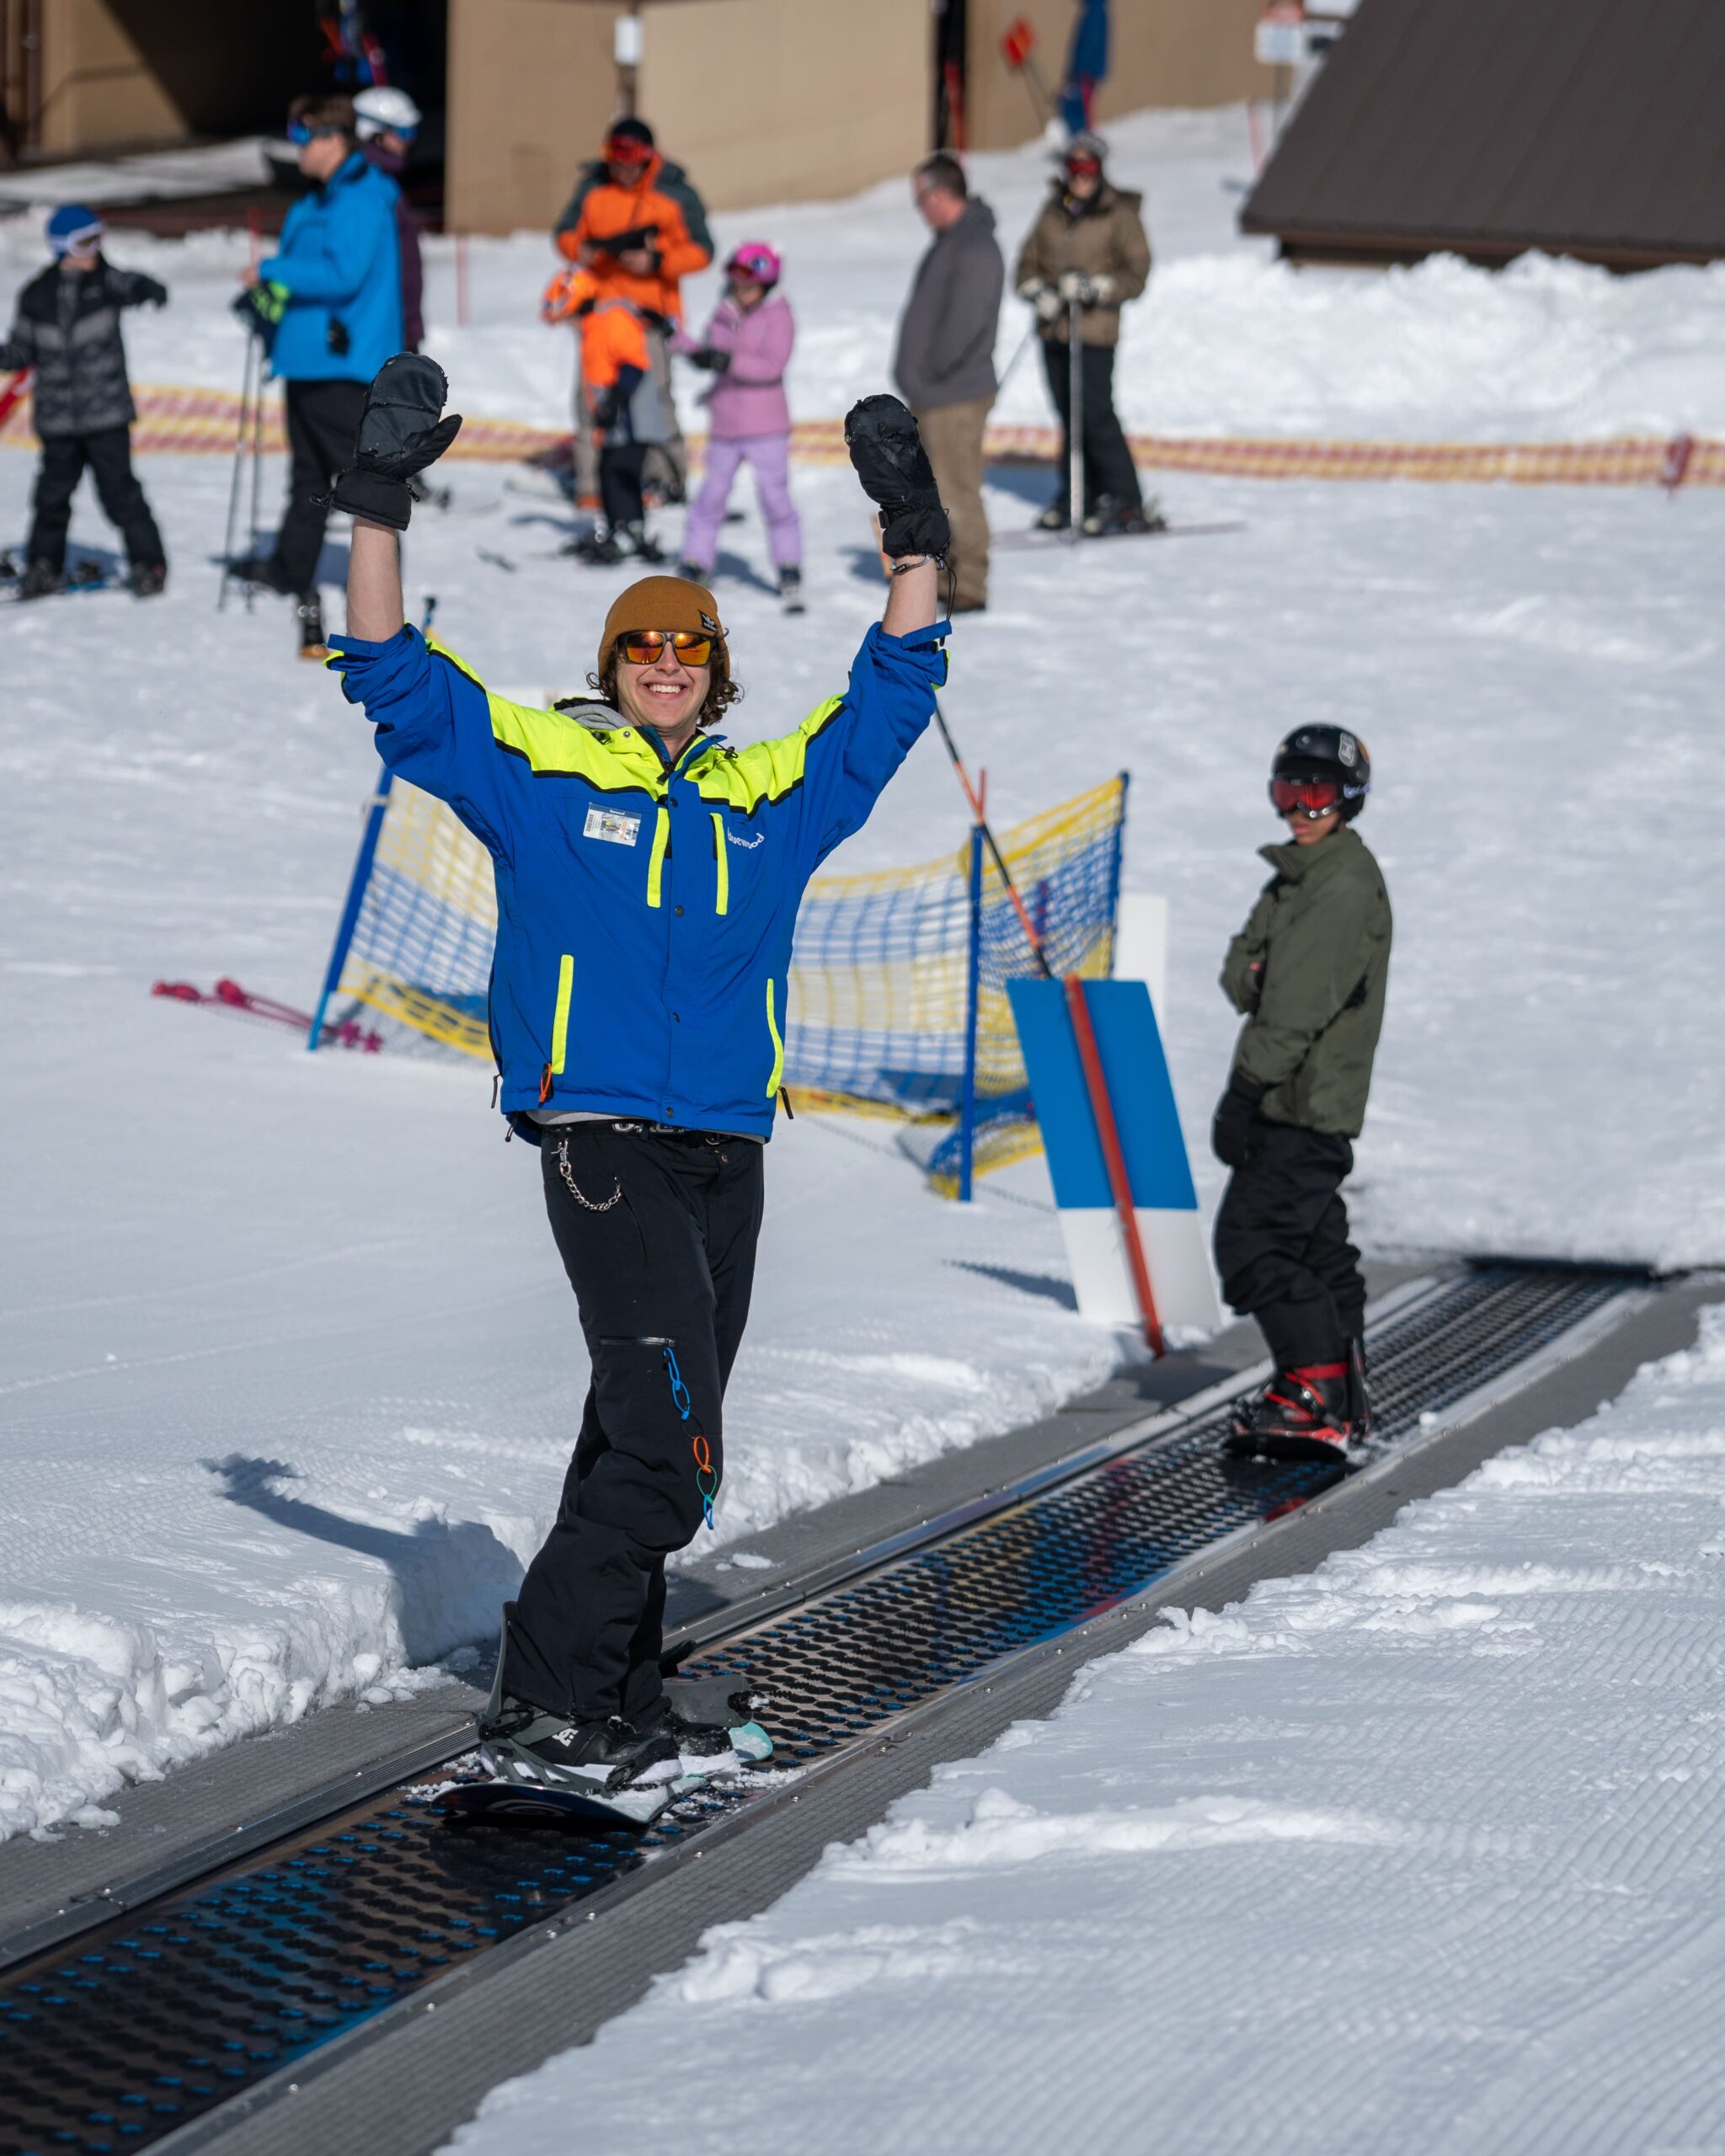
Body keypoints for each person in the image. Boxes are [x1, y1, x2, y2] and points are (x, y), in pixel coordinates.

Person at [323, 356, 952, 1800]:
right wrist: (376, 506)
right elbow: (389, 673)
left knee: (646, 1431)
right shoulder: (543, 774)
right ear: (611, 668)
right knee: (670, 1446)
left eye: (688, 650)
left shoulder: (764, 798)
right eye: (640, 649)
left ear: (716, 673)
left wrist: (912, 541)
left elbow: (892, 695)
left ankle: (617, 1688)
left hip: (728, 1149)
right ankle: (547, 1703)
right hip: (602, 1141)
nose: (664, 666)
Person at [1212, 726, 1392, 1463]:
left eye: (1316, 794)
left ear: (1349, 799)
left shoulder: (1339, 886)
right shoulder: (1300, 876)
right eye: (1288, 791)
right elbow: (1239, 972)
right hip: (1297, 1098)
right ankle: (1341, 1392)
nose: (1299, 809)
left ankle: (1315, 1393)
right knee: (1316, 1250)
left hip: (1301, 1103)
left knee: (1251, 1245)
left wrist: (1243, 1092)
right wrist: (1264, 975)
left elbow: (1290, 1007)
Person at [229, 94, 402, 650]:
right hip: (308, 359)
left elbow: (344, 273)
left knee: (362, 480)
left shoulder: (361, 198)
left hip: (343, 365)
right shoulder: (316, 199)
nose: (297, 147)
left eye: (303, 137)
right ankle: (290, 566)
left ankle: (379, 586)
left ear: (333, 139)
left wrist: (272, 269)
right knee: (307, 474)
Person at [0, 204, 168, 598]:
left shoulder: (107, 282)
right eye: (85, 242)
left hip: (106, 416)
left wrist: (149, 288)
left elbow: (132, 283)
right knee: (51, 498)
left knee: (120, 494)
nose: (95, 250)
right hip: (58, 420)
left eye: (98, 239)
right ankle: (44, 565)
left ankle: (149, 563)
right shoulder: (36, 295)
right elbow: (22, 350)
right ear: (63, 247)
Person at [553, 116, 713, 509]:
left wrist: (656, 261)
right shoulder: (593, 188)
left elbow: (702, 250)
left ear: (647, 157)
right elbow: (565, 233)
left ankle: (666, 480)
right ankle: (591, 484)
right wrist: (582, 249)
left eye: (631, 161)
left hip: (649, 318)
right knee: (592, 401)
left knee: (654, 401)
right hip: (600, 318)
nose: (623, 169)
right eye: (616, 160)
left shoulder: (674, 193)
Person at [1013, 131, 1151, 536]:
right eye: (1074, 170)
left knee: (1095, 415)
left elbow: (1136, 274)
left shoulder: (1118, 215)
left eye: (1088, 171)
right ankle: (1076, 494)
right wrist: (1037, 292)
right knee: (1068, 416)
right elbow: (1026, 264)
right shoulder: (1052, 213)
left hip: (1093, 333)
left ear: (1100, 171)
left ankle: (1125, 497)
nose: (1080, 180)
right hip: (1055, 332)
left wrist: (1096, 289)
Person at [893, 154, 1004, 615]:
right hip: (936, 393)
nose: (920, 209)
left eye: (920, 199)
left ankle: (970, 580)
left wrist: (928, 370)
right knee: (937, 493)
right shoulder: (951, 242)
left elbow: (966, 322)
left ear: (939, 195)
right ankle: (943, 574)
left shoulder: (975, 246)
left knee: (958, 488)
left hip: (955, 393)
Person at [673, 241, 803, 611]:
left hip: (766, 426)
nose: (742, 292)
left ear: (767, 285)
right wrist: (683, 344)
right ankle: (696, 561)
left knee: (775, 499)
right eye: (738, 284)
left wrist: (725, 360)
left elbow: (771, 366)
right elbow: (710, 350)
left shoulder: (779, 315)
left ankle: (788, 565)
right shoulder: (724, 311)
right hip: (726, 424)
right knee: (710, 497)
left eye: (750, 286)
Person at [542, 264, 666, 563]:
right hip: (614, 419)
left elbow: (633, 363)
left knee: (618, 472)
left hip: (632, 417)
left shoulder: (612, 320)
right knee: (610, 471)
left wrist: (615, 400)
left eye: (568, 317)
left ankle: (627, 528)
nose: (569, 324)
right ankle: (623, 527)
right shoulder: (592, 327)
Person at [354, 84, 425, 352]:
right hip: (380, 329)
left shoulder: (386, 184)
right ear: (374, 134)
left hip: (394, 325)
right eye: (403, 132)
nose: (409, 141)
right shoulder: (370, 188)